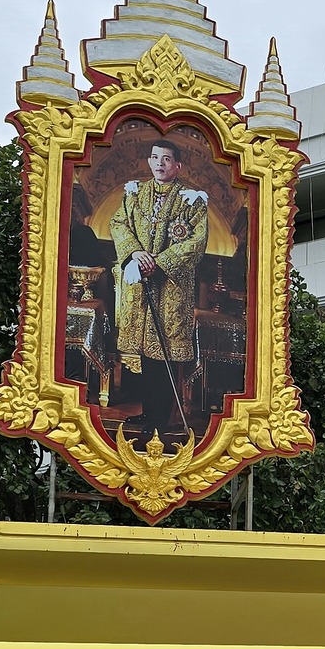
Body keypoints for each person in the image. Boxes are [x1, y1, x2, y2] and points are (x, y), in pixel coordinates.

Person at [110, 136, 212, 441]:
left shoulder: (191, 200)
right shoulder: (135, 193)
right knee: (144, 352)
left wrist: (160, 262)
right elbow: (119, 224)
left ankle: (160, 419)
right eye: (155, 158)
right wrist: (135, 253)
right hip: (140, 285)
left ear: (177, 165)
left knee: (163, 353)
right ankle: (148, 410)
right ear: (149, 161)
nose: (160, 163)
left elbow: (197, 242)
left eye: (166, 159)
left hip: (171, 288)